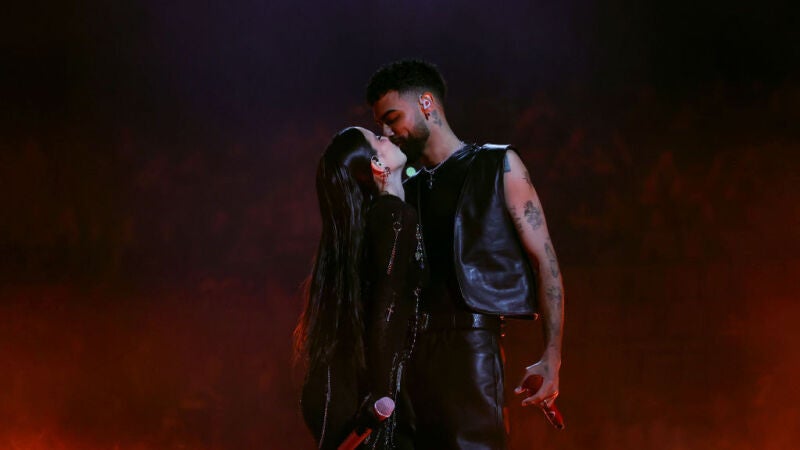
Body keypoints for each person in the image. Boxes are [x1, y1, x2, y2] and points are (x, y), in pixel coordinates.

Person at [365, 60, 565, 449]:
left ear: (426, 103)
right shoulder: (404, 188)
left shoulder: (498, 164)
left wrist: (551, 354)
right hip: (408, 358)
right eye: (381, 125)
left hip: (470, 348)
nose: (387, 133)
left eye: (392, 118)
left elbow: (546, 261)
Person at [294, 126, 426, 449]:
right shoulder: (395, 216)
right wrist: (383, 394)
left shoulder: (367, 225)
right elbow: (387, 306)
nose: (388, 136)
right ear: (378, 167)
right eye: (379, 140)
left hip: (343, 394)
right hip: (367, 403)